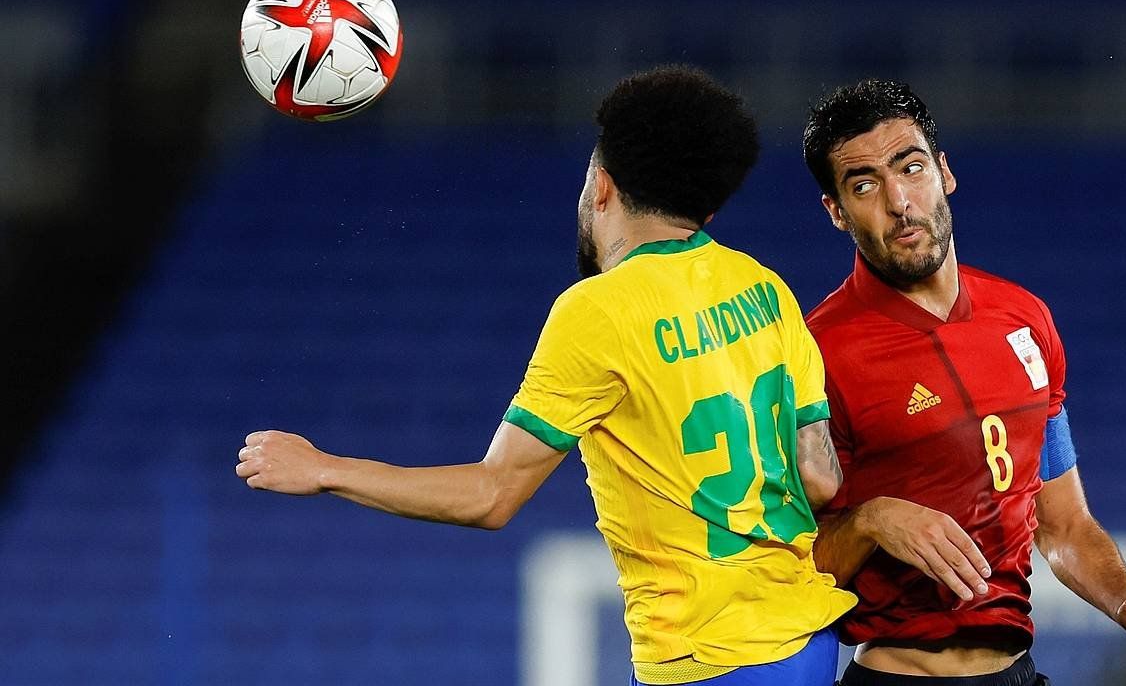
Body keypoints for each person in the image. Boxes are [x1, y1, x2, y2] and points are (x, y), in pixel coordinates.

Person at [236, 66, 857, 685]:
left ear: (604, 186)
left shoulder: (598, 310)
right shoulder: (763, 286)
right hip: (806, 640)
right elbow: (820, 477)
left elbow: (492, 496)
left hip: (707, 656)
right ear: (709, 206)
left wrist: (325, 469)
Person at [801, 79, 1126, 685]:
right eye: (864, 185)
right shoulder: (815, 354)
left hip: (1017, 673)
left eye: (911, 167)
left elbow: (1064, 527)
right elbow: (793, 566)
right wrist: (872, 520)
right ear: (835, 211)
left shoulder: (1026, 319)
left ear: (944, 172)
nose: (899, 200)